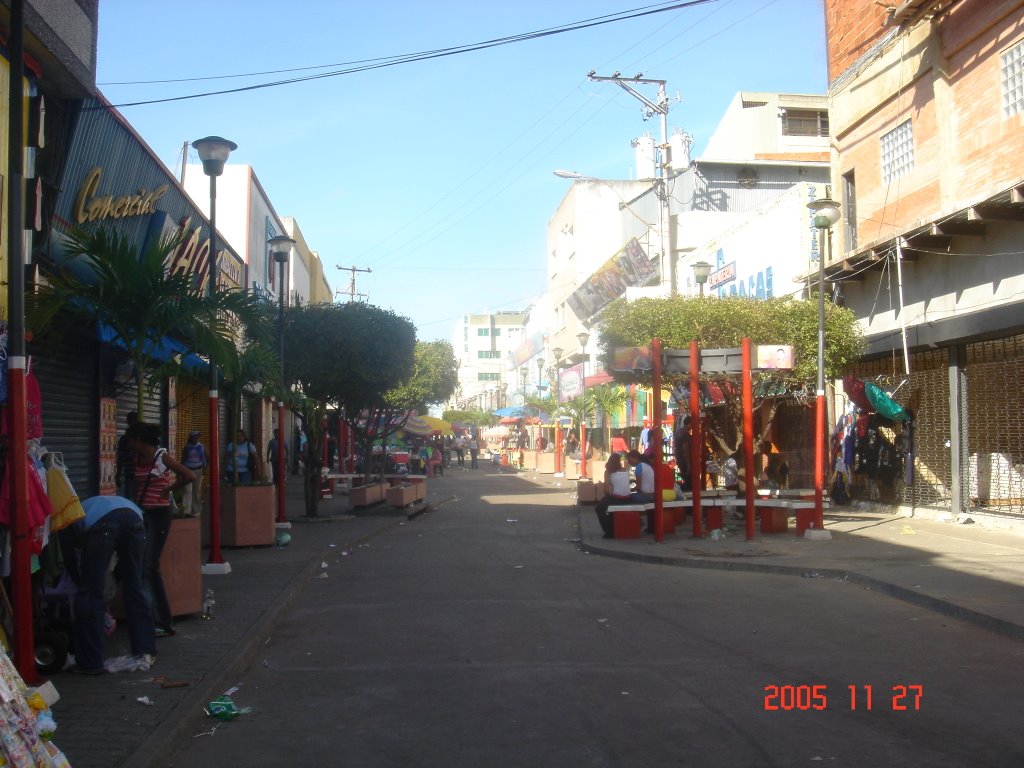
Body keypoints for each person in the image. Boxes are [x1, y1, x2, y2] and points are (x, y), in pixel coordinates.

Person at [61, 495, 156, 674]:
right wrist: (113, 579)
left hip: (103, 526)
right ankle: (145, 652)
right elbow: (124, 567)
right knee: (135, 587)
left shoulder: (68, 518)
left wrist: (81, 582)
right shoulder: (96, 504)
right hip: (135, 521)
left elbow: (69, 556)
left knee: (90, 594)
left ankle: (90, 663)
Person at [130, 421, 196, 638]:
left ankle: (155, 622)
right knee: (149, 568)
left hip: (159, 517)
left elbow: (189, 476)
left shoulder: (162, 457)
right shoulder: (135, 459)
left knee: (147, 568)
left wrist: (168, 489)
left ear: (140, 440)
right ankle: (162, 621)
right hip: (142, 516)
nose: (130, 444)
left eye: (132, 440)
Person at [594, 454, 631, 538]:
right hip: (627, 497)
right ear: (619, 461)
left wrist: (606, 496)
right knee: (609, 506)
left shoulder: (608, 472)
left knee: (599, 509)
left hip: (617, 497)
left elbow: (607, 489)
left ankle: (609, 531)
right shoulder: (624, 470)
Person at [179, 430, 206, 517]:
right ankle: (185, 510)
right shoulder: (187, 448)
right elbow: (183, 460)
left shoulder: (202, 447)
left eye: (197, 437)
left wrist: (205, 469)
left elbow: (207, 458)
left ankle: (196, 511)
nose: (196, 438)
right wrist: (181, 472)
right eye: (194, 437)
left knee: (196, 491)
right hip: (188, 470)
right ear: (191, 438)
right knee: (186, 490)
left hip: (198, 470)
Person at [115, 411, 139, 500]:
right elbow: (120, 459)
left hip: (138, 474)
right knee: (131, 499)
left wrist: (117, 475)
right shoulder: (124, 439)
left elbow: (120, 459)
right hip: (130, 474)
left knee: (133, 498)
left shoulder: (141, 438)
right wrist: (117, 475)